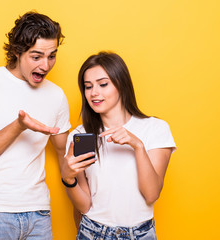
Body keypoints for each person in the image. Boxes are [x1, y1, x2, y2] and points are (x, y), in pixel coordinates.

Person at [0, 11, 70, 240]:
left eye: (52, 56)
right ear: (17, 51)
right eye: (36, 56)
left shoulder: (56, 95)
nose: (46, 65)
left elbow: (65, 154)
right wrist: (19, 126)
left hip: (38, 215)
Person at [60, 51, 176, 240]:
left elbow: (151, 194)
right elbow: (84, 206)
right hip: (92, 232)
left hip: (140, 234)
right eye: (88, 87)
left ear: (121, 84)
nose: (94, 93)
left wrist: (137, 146)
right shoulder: (81, 136)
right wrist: (68, 178)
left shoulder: (155, 128)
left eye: (103, 84)